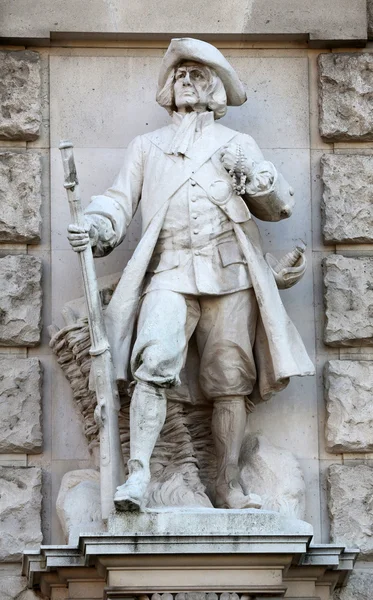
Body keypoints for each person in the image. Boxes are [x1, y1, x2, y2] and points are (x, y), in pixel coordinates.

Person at [67, 38, 314, 512]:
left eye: (196, 74)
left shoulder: (238, 145)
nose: (185, 80)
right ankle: (137, 476)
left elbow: (279, 206)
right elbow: (119, 201)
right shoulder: (148, 146)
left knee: (230, 380)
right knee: (153, 364)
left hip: (231, 278)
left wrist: (255, 176)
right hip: (170, 273)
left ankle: (228, 484)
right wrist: (96, 226)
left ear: (215, 89)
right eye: (179, 74)